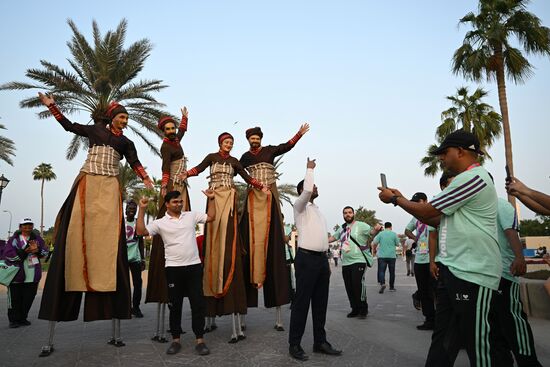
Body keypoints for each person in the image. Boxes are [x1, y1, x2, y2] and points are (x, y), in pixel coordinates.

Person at [36, 93, 153, 356]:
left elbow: (134, 163)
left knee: (110, 242)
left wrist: (145, 178)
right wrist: (52, 106)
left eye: (127, 118)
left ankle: (115, 328)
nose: (125, 121)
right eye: (122, 117)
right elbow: (68, 126)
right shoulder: (94, 131)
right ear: (112, 117)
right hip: (88, 182)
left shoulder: (126, 142)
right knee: (74, 234)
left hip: (110, 187)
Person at [378, 130, 502, 366]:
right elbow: (435, 220)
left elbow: (429, 212)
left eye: (444, 153)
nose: (441, 159)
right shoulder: (465, 180)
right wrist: (404, 198)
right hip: (454, 271)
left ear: (461, 151)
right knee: (443, 340)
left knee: (479, 346)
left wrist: (395, 200)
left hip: (474, 273)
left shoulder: (474, 177)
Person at [181, 132, 267, 342]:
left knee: (228, 229)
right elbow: (199, 169)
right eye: (226, 142)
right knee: (212, 228)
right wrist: (186, 174)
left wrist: (260, 186)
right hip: (213, 195)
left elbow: (247, 178)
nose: (229, 145)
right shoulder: (212, 157)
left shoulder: (235, 162)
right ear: (220, 143)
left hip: (228, 195)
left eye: (231, 143)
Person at [239, 124, 309, 320]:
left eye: (257, 137)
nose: (255, 140)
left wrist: (299, 134)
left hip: (270, 195)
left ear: (260, 138)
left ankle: (278, 304)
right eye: (252, 138)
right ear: (248, 140)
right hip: (253, 197)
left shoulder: (269, 150)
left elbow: (286, 146)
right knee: (245, 228)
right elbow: (236, 169)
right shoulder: (245, 157)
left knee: (274, 233)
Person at [136, 190, 214, 356]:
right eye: (175, 202)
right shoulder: (160, 223)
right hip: (173, 269)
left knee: (198, 304)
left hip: (193, 267)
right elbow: (141, 232)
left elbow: (211, 217)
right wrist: (141, 210)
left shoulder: (191, 216)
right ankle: (175, 340)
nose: (179, 204)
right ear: (167, 204)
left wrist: (212, 199)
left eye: (180, 201)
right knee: (175, 305)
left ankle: (200, 340)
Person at [289, 157, 342, 361]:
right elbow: (308, 190)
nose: (316, 188)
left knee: (321, 304)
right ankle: (294, 344)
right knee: (301, 304)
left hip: (320, 260)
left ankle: (320, 342)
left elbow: (322, 239)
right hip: (306, 259)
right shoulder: (299, 207)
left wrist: (326, 261)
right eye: (313, 186)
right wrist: (309, 170)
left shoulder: (318, 211)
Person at [146, 110, 191, 342]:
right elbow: (165, 167)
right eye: (169, 129)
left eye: (174, 128)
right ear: (163, 131)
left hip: (181, 185)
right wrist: (165, 187)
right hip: (174, 184)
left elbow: (182, 131)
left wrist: (184, 118)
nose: (173, 131)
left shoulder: (176, 140)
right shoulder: (166, 147)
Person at [490, 197, 542, 366]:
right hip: (484, 275)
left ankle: (528, 362)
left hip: (504, 272)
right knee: (493, 325)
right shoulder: (477, 206)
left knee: (513, 322)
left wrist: (520, 257)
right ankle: (501, 361)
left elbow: (511, 231)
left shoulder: (500, 204)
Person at [328, 206, 381, 319]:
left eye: (350, 212)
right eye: (345, 213)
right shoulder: (341, 229)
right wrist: (320, 239)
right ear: (343, 215)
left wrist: (376, 229)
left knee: (358, 284)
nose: (347, 214)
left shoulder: (361, 225)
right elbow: (332, 238)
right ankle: (354, 309)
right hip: (345, 262)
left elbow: (371, 232)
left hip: (359, 260)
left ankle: (363, 309)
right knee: (349, 286)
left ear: (353, 214)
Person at [3, 218, 48, 328]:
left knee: (29, 297)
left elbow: (45, 252)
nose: (27, 227)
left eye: (30, 225)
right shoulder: (13, 239)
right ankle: (13, 320)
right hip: (16, 274)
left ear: (32, 226)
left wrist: (36, 251)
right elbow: (8, 254)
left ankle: (23, 318)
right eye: (25, 225)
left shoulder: (38, 239)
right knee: (15, 298)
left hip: (32, 274)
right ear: (20, 227)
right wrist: (25, 251)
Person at [125, 200, 145, 318]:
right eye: (130, 209)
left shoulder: (138, 223)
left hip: (135, 258)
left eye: (134, 209)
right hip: (122, 259)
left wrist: (143, 259)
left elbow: (141, 242)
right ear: (126, 210)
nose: (132, 211)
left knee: (138, 284)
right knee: (124, 284)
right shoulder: (121, 222)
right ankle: (125, 307)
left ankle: (136, 307)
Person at [372, 222, 400, 293]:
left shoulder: (380, 234)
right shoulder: (394, 234)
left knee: (381, 271)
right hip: (392, 256)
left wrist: (374, 250)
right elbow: (397, 244)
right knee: (392, 272)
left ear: (384, 226)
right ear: (391, 227)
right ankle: (391, 287)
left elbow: (374, 242)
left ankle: (383, 284)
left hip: (382, 256)